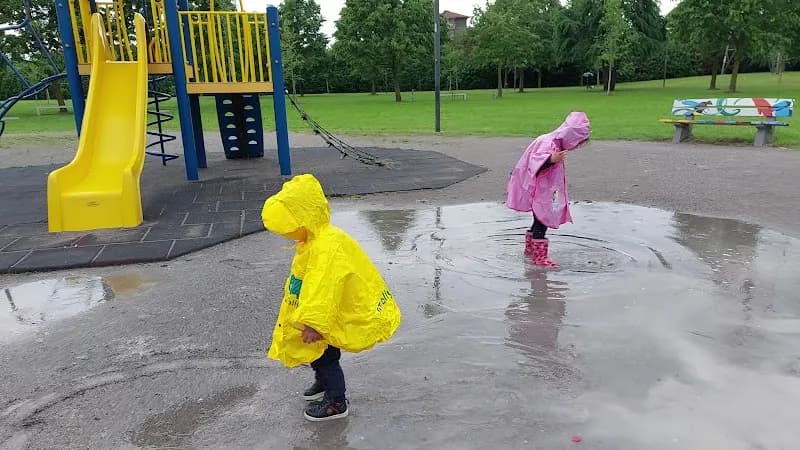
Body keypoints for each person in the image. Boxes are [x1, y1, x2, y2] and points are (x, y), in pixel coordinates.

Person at [261, 174, 401, 422]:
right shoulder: (316, 239)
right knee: (319, 352)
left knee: (326, 357)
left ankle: (336, 401)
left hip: (323, 315)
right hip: (325, 313)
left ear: (304, 218)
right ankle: (323, 383)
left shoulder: (326, 246)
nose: (288, 235)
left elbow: (323, 288)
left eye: (291, 227)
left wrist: (314, 324)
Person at [506, 112, 591, 267]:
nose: (576, 146)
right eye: (578, 142)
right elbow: (534, 164)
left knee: (538, 219)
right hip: (540, 190)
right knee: (542, 220)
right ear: (571, 136)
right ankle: (539, 258)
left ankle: (530, 249)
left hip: (544, 189)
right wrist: (551, 160)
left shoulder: (554, 142)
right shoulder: (548, 142)